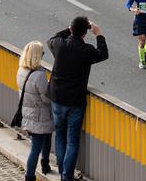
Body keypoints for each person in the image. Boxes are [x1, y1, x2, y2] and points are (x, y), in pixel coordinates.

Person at [48, 16, 108, 181]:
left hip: (57, 97)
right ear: (85, 33)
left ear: (71, 30)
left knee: (60, 135)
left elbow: (52, 39)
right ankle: (67, 176)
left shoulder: (60, 45)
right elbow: (103, 54)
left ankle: (63, 173)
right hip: (75, 101)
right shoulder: (86, 50)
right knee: (72, 140)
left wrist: (69, 29)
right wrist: (98, 34)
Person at [16, 40, 53, 181]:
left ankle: (44, 164)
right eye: (42, 53)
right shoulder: (39, 75)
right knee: (36, 148)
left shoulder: (21, 70)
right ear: (37, 56)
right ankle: (30, 175)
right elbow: (46, 98)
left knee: (41, 140)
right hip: (40, 115)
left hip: (28, 112)